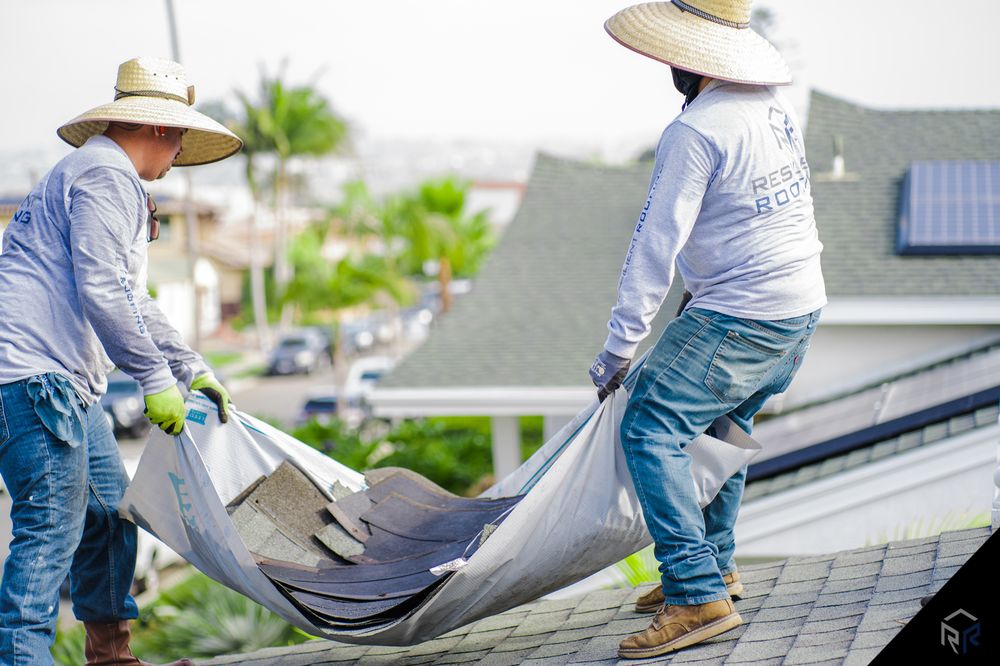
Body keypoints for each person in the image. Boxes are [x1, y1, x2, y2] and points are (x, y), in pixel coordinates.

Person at [590, 1, 826, 658]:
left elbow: (654, 247)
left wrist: (618, 351)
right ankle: (715, 567)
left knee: (649, 427)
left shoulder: (695, 130)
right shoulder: (772, 106)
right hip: (799, 309)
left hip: (744, 314)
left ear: (687, 57)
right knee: (723, 430)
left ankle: (695, 594)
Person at [0, 57, 242, 666]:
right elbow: (103, 289)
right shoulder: (106, 177)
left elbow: (130, 295)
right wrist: (154, 378)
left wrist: (188, 367)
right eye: (179, 137)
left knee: (111, 515)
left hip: (65, 385)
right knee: (49, 533)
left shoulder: (100, 174)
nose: (179, 152)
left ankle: (111, 657)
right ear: (159, 127)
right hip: (34, 382)